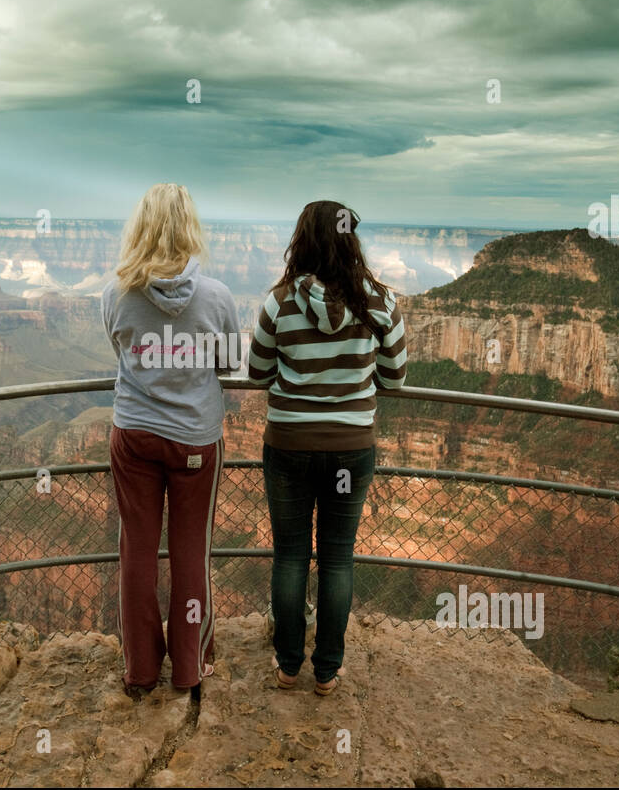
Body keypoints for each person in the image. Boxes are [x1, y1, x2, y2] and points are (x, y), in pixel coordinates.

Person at [246, 200, 406, 695]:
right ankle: (327, 672)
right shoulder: (380, 302)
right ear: (350, 240)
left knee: (290, 556)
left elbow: (257, 373)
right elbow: (395, 379)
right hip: (350, 450)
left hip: (290, 444)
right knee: (338, 559)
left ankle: (289, 665)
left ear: (304, 241)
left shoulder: (279, 303)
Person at [102, 183, 242, 695]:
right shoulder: (218, 297)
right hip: (195, 444)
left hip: (134, 435)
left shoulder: (115, 292)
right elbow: (229, 364)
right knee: (190, 551)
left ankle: (140, 669)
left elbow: (120, 349)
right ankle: (189, 667)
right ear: (190, 228)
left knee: (136, 550)